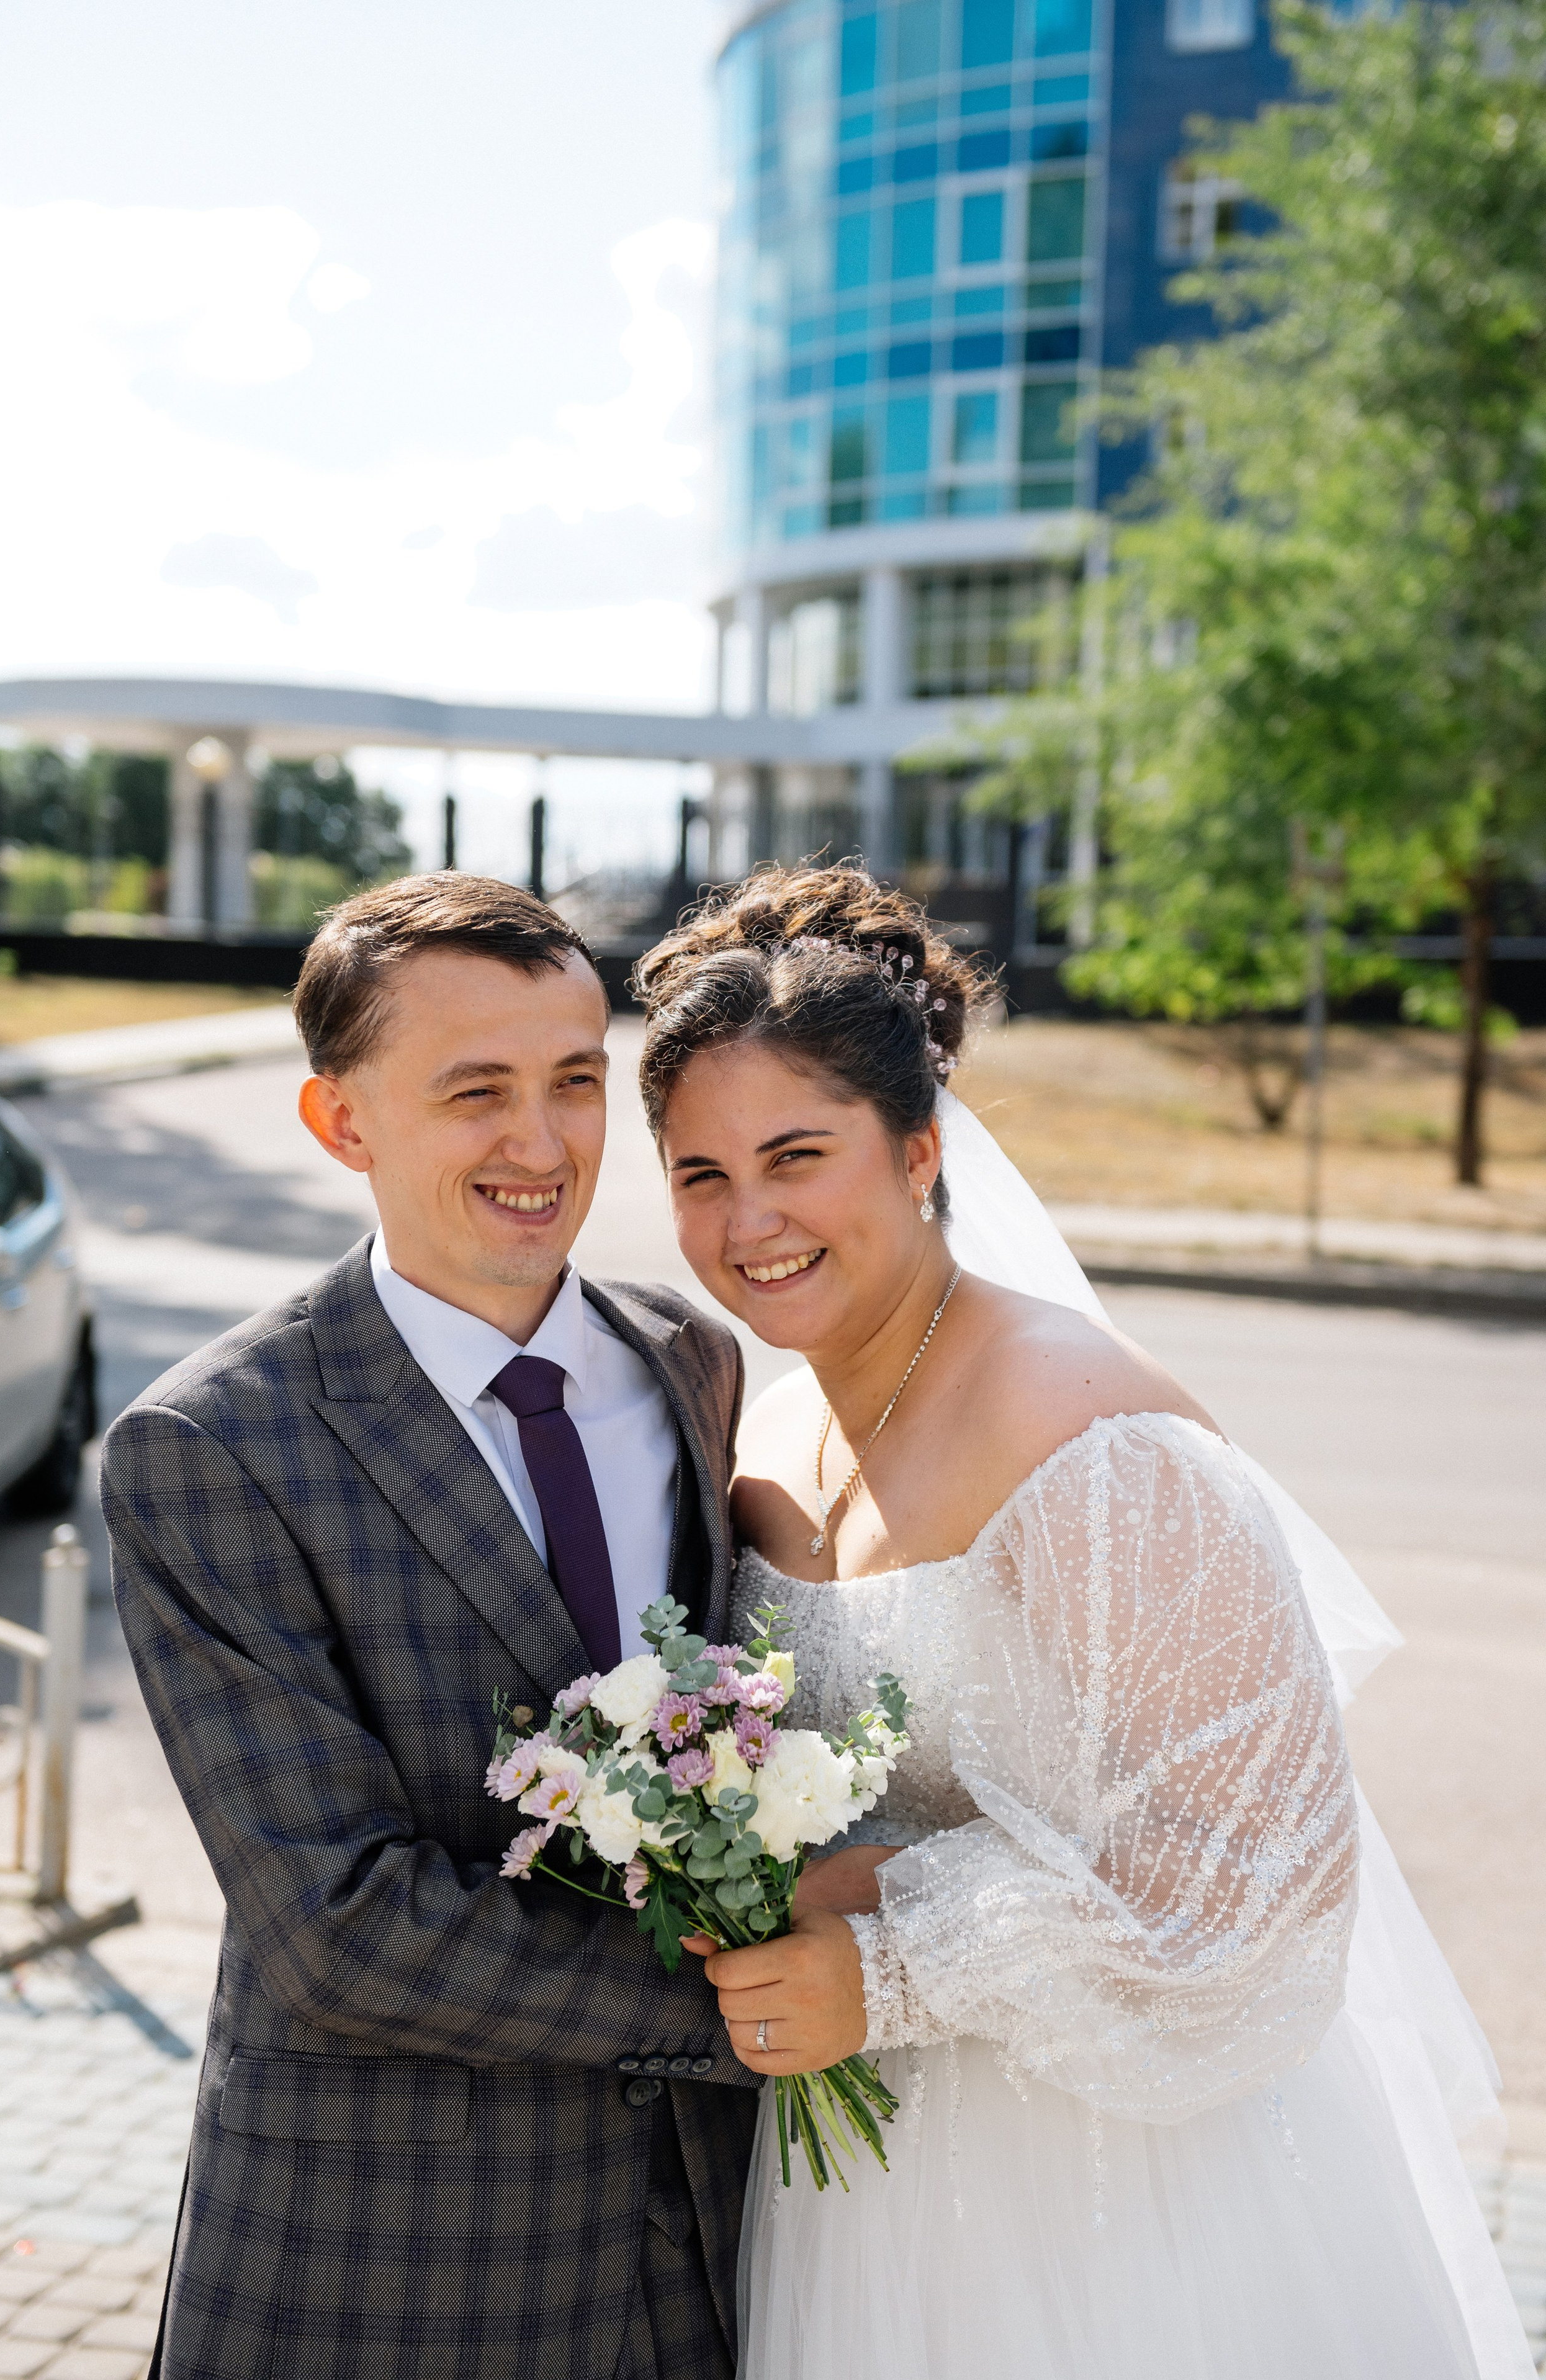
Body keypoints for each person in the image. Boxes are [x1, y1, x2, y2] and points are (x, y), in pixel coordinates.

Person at [633, 864, 1534, 2380]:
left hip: (1120, 2192)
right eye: (699, 1174)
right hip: (859, 2195)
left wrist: (892, 1955)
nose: (749, 1219)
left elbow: (1264, 1892)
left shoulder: (1088, 1438)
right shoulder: (763, 1444)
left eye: (796, 1156)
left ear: (919, 1151)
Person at [101, 874, 758, 2380]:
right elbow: (336, 1923)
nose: (542, 1143)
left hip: (706, 2247)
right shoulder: (212, 1446)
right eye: (477, 1092)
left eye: (575, 1081)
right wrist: (755, 2006)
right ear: (341, 1123)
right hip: (391, 2260)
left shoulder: (690, 1361)